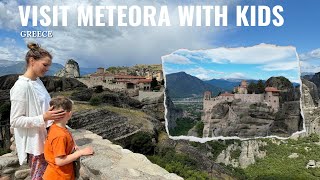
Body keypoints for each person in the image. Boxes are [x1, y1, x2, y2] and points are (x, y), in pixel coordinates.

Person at [10, 43, 66, 179]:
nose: (47, 69)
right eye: (45, 65)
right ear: (32, 61)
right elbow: (15, 121)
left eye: (49, 66)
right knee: (39, 176)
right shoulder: (21, 87)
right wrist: (44, 117)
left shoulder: (38, 82)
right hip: (36, 143)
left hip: (46, 139)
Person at [43, 96, 94, 180]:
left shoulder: (55, 127)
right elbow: (59, 161)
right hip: (58, 176)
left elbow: (66, 140)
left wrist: (72, 146)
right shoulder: (60, 135)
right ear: (69, 114)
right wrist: (80, 153)